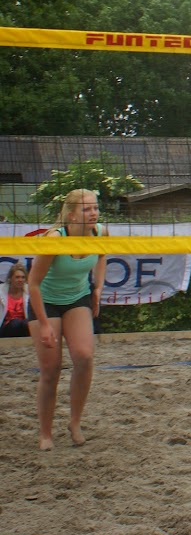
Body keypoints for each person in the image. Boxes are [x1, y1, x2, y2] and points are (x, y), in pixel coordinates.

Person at [28, 188, 108, 450]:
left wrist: (98, 287)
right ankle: (45, 433)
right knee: (51, 369)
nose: (94, 213)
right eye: (87, 209)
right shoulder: (55, 238)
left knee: (84, 357)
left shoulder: (100, 232)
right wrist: (44, 324)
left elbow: (103, 256)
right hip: (46, 301)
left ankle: (75, 422)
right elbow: (33, 284)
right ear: (72, 215)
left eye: (95, 207)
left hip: (77, 298)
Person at [2, 262, 31, 338]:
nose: (20, 280)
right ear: (10, 278)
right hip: (5, 327)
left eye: (23, 277)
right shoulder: (1, 291)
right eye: (17, 277)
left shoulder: (30, 291)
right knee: (15, 323)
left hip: (23, 326)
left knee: (27, 323)